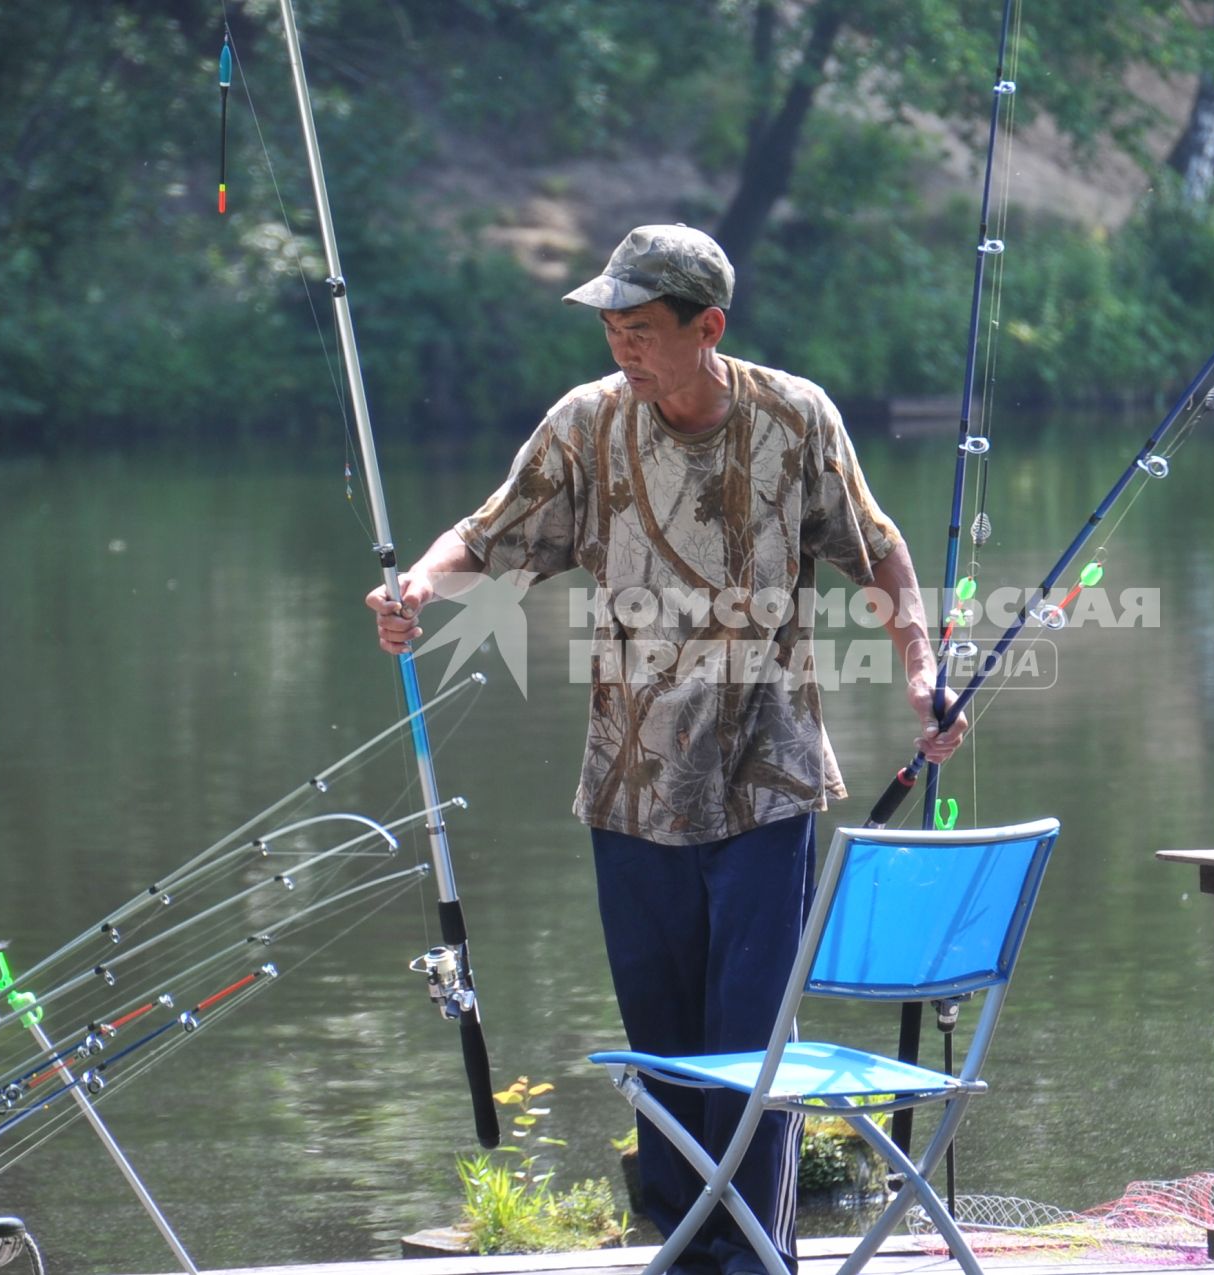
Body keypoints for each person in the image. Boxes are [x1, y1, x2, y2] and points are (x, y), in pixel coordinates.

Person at [367, 224, 967, 1274]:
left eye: (642, 330)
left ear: (709, 328)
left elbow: (879, 547)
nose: (622, 348)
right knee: (664, 1044)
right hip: (630, 785)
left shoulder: (796, 417)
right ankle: (685, 1248)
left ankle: (754, 1255)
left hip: (767, 779)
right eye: (611, 328)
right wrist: (416, 585)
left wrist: (920, 669)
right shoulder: (586, 426)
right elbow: (489, 531)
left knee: (752, 1046)